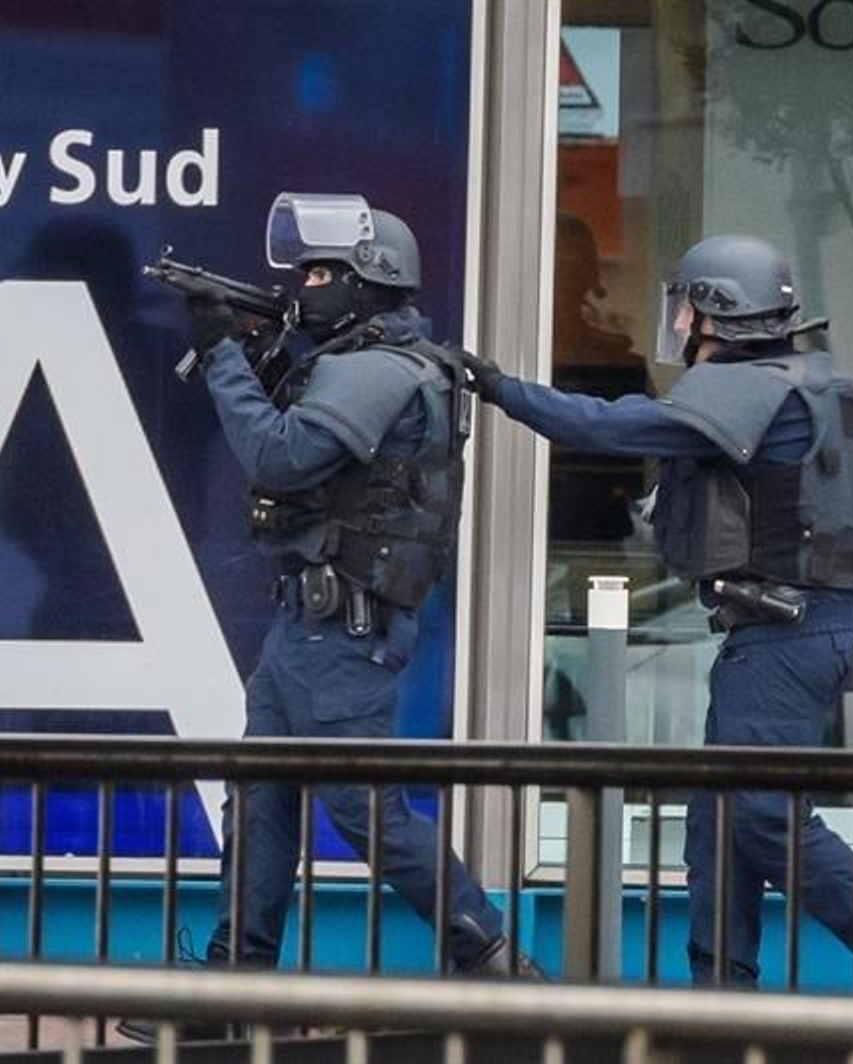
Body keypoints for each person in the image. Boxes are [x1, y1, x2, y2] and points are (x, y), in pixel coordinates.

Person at [461, 233, 853, 996]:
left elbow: (610, 427)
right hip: (786, 628)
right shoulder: (804, 380)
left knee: (762, 814)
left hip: (784, 633)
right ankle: (720, 992)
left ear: (720, 314)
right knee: (718, 822)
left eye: (687, 308)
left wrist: (502, 389)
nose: (677, 323)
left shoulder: (750, 390)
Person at [119, 194, 531, 1043]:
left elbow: (279, 454)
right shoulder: (359, 361)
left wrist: (222, 352)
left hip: (344, 627)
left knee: (362, 810)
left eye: (319, 274)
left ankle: (500, 971)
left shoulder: (376, 369)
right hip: (310, 623)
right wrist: (250, 349)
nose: (304, 286)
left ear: (368, 281)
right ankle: (237, 991)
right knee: (260, 797)